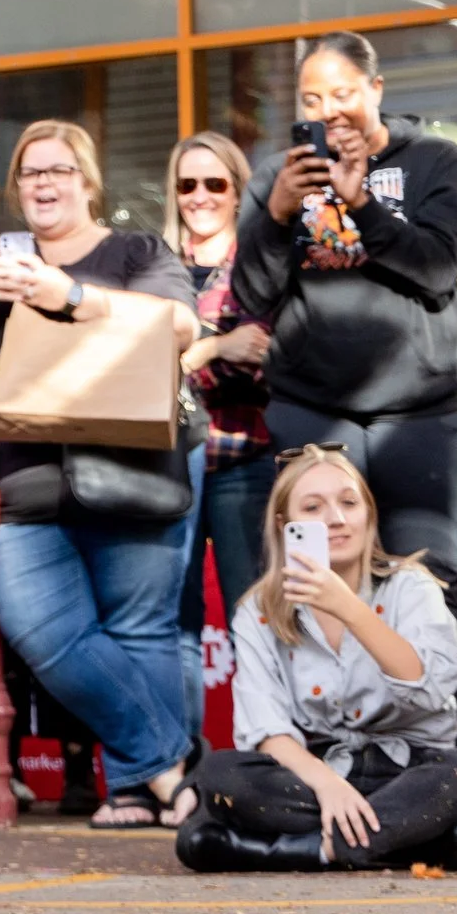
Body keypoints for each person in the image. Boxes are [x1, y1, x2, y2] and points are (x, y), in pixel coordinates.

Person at [0, 119, 200, 828]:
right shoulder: (2, 262)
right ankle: (173, 772)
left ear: (88, 182)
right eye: (31, 172)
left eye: (59, 170)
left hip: (136, 470)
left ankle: (132, 786)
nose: (44, 183)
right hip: (31, 483)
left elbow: (181, 325)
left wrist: (70, 295)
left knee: (143, 631)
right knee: (44, 630)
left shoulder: (134, 251)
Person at [231, 31, 457, 746]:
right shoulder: (276, 177)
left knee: (430, 583)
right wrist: (276, 213)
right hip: (313, 406)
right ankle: (311, 754)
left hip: (421, 410)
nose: (330, 110)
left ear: (375, 89)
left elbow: (436, 267)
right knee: (305, 578)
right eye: (312, 98)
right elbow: (251, 293)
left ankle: (453, 763)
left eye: (342, 93)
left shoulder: (436, 160)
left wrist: (364, 205)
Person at [176, 445, 457, 871]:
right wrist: (328, 786)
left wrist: (347, 607)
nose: (336, 518)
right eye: (313, 507)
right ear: (284, 525)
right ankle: (427, 842)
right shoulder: (259, 611)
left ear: (369, 514)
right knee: (219, 774)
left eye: (349, 503)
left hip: (409, 773)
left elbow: (429, 688)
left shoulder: (412, 587)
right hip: (318, 774)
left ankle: (312, 850)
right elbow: (266, 728)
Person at [166, 132, 274, 750]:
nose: (200, 196)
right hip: (170, 461)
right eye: (188, 184)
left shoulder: (257, 262)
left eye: (215, 184)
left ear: (237, 191)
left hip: (242, 458)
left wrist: (188, 350)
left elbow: (263, 354)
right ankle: (184, 764)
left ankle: (265, 754)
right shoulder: (156, 264)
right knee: (174, 619)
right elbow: (140, 357)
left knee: (251, 615)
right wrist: (215, 345)